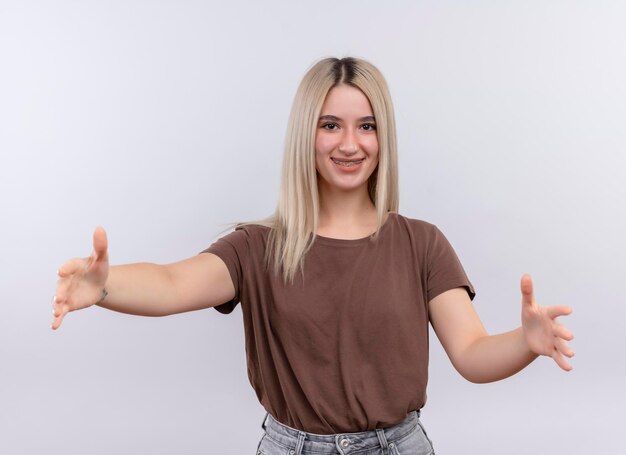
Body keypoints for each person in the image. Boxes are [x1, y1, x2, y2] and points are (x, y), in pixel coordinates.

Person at [52, 57, 574, 455]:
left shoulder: (422, 243)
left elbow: (473, 352)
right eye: (331, 125)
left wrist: (526, 342)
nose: (350, 143)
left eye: (366, 125)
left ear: (383, 136)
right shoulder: (258, 247)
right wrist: (103, 286)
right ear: (307, 133)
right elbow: (171, 283)